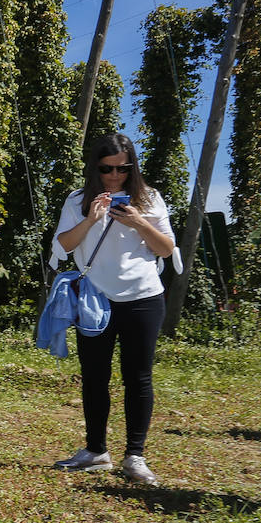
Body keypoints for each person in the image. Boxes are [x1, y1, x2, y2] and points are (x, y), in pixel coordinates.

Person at [50, 133, 178, 486]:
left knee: (138, 376)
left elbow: (166, 249)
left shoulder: (150, 198)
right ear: (95, 168)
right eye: (106, 169)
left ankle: (135, 456)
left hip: (143, 298)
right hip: (96, 298)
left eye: (123, 169)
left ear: (132, 167)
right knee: (94, 375)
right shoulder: (77, 201)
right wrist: (91, 219)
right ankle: (95, 451)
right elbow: (62, 245)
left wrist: (138, 221)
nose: (114, 176)